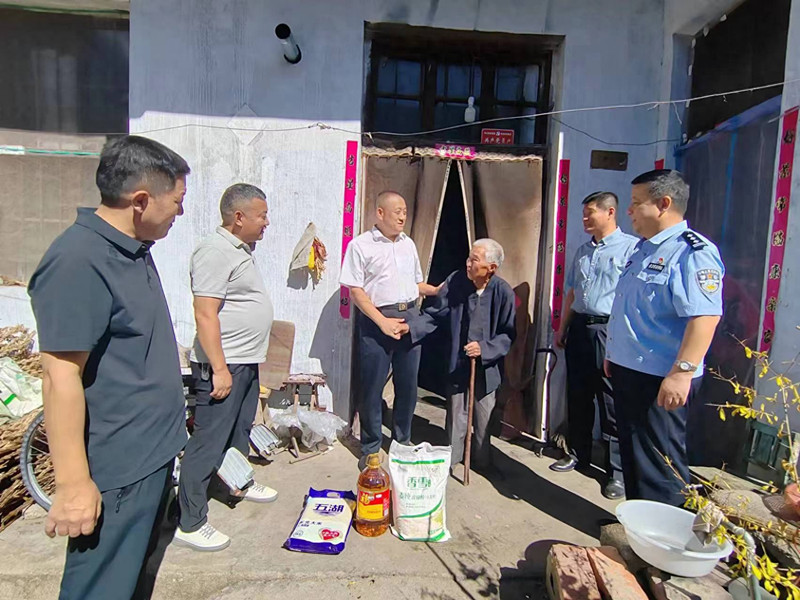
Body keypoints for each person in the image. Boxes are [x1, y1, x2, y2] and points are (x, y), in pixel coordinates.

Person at [28, 135, 190, 599]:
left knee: (133, 582)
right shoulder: (79, 260)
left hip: (152, 456)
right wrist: (74, 484)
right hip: (118, 469)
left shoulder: (133, 247)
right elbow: (59, 375)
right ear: (140, 201)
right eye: (176, 201)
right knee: (102, 589)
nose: (180, 212)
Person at [605, 169, 724, 506]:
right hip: (630, 371)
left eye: (636, 203)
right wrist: (614, 354)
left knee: (660, 467)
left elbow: (705, 317)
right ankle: (638, 526)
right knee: (634, 458)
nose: (629, 211)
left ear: (663, 204)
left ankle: (666, 533)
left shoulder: (691, 252)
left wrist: (682, 372)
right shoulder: (643, 249)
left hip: (661, 377)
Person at [174, 183, 277, 552]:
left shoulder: (239, 250)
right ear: (239, 217)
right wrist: (219, 369)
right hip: (224, 363)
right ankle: (190, 522)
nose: (267, 222)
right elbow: (205, 313)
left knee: (239, 431)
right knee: (208, 442)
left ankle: (239, 483)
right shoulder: (214, 251)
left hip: (245, 360)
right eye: (261, 215)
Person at [340, 191, 439, 468]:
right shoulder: (360, 245)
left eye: (405, 211)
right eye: (397, 211)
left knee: (407, 386)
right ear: (380, 213)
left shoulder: (408, 244)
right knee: (372, 387)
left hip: (410, 318)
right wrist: (381, 322)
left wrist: (436, 290)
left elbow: (416, 284)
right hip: (377, 320)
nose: (402, 216)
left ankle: (402, 442)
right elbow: (356, 290)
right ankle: (371, 446)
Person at [550, 192, 638, 501]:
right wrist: (562, 328)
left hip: (608, 330)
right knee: (578, 395)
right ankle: (577, 453)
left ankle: (616, 472)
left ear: (610, 212)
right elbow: (572, 293)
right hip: (580, 328)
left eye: (590, 213)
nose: (585, 219)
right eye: (584, 214)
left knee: (611, 402)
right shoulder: (583, 251)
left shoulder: (630, 249)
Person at [424, 239, 516, 477]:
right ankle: (452, 459)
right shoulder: (457, 282)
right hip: (458, 362)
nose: (468, 263)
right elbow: (435, 313)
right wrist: (410, 327)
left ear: (491, 268)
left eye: (474, 260)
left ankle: (482, 461)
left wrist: (484, 348)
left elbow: (507, 334)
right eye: (468, 257)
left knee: (484, 418)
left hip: (486, 367)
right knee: (456, 415)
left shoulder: (503, 292)